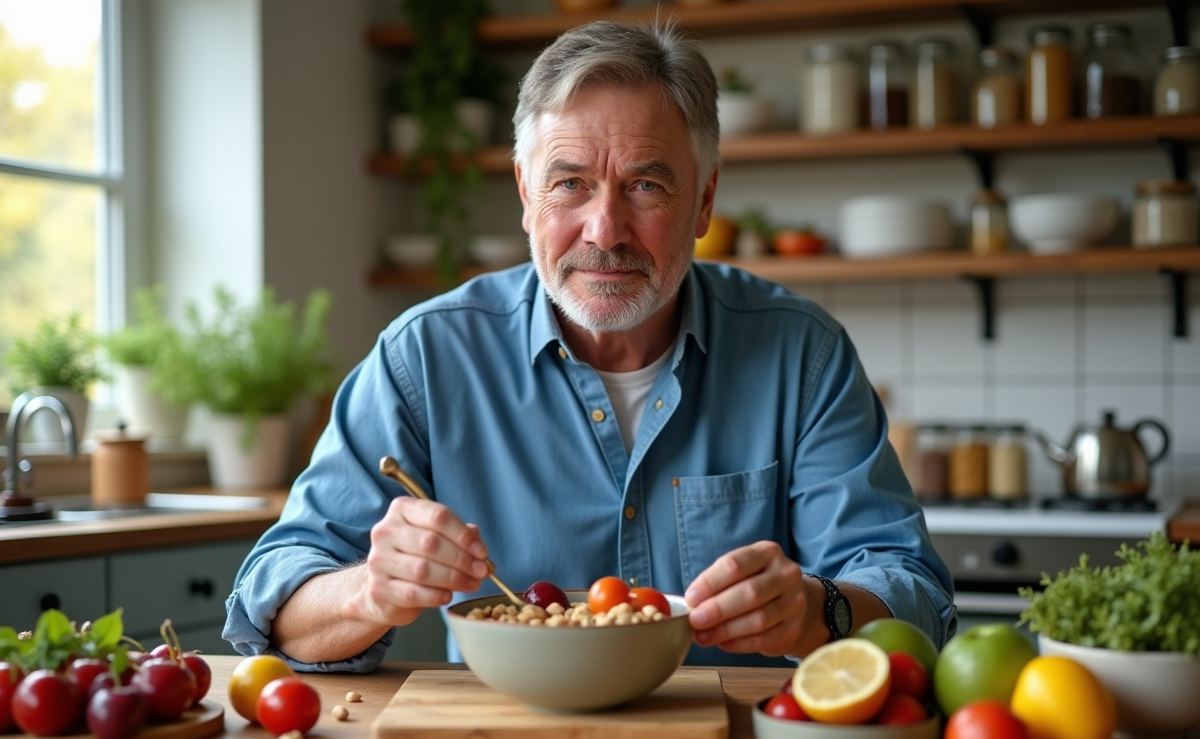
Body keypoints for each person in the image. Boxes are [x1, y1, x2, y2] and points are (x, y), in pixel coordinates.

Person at [223, 20, 956, 671]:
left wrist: (817, 609)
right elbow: (276, 601)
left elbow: (914, 592)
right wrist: (366, 591)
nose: (604, 230)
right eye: (569, 183)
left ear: (704, 201)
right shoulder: (424, 359)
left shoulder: (804, 355)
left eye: (644, 186)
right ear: (524, 194)